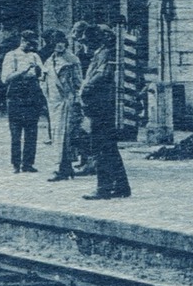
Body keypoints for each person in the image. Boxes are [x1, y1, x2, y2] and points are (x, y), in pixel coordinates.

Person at [79, 26, 130, 199]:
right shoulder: (101, 53)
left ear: (94, 40)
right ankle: (122, 186)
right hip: (101, 105)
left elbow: (103, 75)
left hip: (100, 106)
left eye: (86, 41)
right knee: (109, 148)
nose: (84, 44)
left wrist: (86, 87)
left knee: (100, 148)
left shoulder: (104, 54)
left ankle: (104, 188)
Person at [1, 30, 47, 173]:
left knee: (31, 131)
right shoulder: (11, 55)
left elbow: (42, 77)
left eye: (33, 43)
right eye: (28, 42)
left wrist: (39, 71)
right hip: (15, 95)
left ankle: (28, 163)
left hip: (32, 95)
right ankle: (16, 164)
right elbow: (5, 78)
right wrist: (23, 71)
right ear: (22, 40)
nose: (31, 45)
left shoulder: (35, 56)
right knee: (15, 132)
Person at [45, 32, 85, 181]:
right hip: (53, 103)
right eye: (55, 42)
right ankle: (65, 168)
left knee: (67, 137)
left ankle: (64, 168)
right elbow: (45, 80)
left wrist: (76, 101)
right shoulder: (49, 61)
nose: (59, 45)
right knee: (57, 136)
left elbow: (78, 82)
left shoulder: (72, 60)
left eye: (61, 42)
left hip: (67, 101)